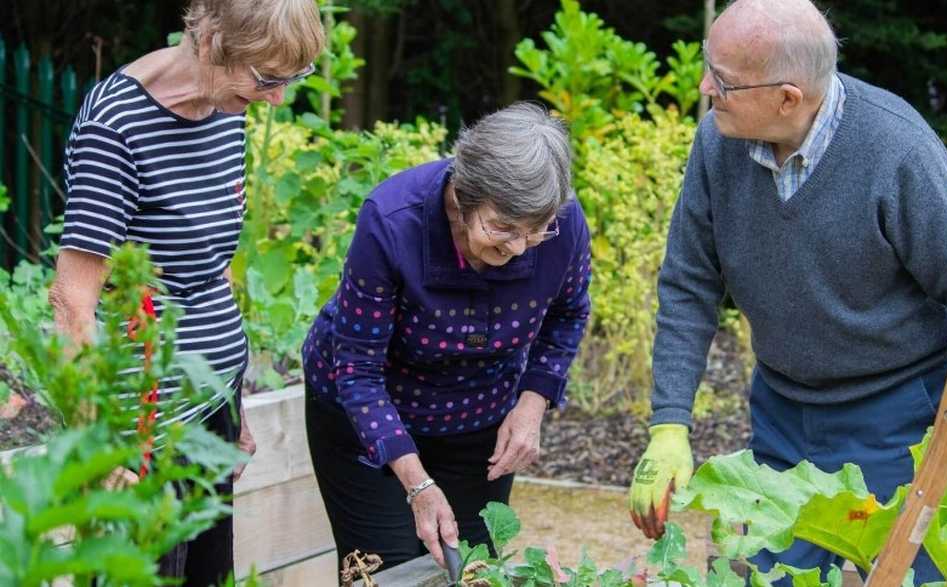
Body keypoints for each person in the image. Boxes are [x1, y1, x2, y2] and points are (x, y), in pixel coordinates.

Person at [626, 0, 947, 583]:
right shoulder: (717, 142)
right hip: (783, 412)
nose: (705, 88)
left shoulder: (897, 150)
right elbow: (689, 284)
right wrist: (669, 425)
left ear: (788, 97)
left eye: (723, 81)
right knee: (767, 576)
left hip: (899, 417)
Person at [49, 1, 324, 584]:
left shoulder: (228, 105)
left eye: (289, 80)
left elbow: (212, 268)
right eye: (267, 79)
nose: (275, 98)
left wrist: (235, 404)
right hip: (140, 419)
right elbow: (73, 301)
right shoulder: (116, 127)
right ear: (211, 42)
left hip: (210, 397)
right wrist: (101, 444)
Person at [302, 102, 592, 574]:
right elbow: (356, 370)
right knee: (390, 573)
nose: (518, 248)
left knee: (473, 569)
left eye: (535, 231)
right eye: (502, 228)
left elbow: (568, 313)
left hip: (478, 419)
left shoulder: (562, 223)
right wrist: (417, 485)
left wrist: (532, 403)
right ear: (462, 195)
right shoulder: (392, 221)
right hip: (368, 419)